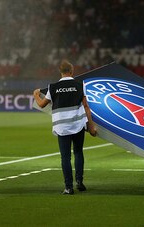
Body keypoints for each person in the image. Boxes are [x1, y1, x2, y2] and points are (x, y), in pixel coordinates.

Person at [33, 59, 97, 195]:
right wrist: (91, 127)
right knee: (78, 152)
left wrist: (36, 95)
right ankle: (79, 182)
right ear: (72, 71)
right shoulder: (80, 85)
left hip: (62, 126)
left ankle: (68, 187)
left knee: (65, 157)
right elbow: (86, 106)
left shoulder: (53, 87)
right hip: (78, 124)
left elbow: (42, 104)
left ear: (60, 72)